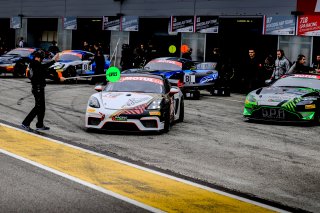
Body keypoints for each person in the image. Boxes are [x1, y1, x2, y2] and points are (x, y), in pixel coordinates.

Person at [21, 51, 65, 131]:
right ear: (38, 57)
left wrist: (54, 61)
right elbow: (45, 73)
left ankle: (39, 125)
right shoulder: (35, 64)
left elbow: (44, 68)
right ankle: (25, 123)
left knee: (42, 107)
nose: (42, 60)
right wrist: (59, 79)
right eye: (41, 58)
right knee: (38, 107)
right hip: (37, 88)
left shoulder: (34, 64)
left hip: (39, 88)